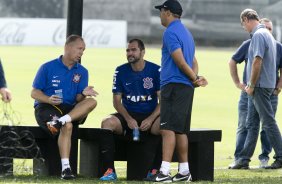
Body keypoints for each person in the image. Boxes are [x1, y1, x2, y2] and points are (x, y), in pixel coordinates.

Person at [152, 0, 208, 182]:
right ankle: (184, 171)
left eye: (161, 11)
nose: (160, 14)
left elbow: (181, 61)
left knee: (167, 128)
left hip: (173, 86)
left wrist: (194, 79)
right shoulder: (186, 33)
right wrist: (195, 78)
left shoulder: (170, 32)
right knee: (181, 130)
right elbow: (194, 62)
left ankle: (164, 172)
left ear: (168, 12)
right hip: (185, 87)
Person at [31, 35, 98, 179]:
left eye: (83, 50)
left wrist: (83, 94)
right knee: (67, 127)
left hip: (70, 110)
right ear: (68, 47)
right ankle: (66, 169)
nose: (81, 53)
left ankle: (61, 121)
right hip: (48, 108)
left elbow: (78, 99)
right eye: (79, 49)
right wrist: (48, 99)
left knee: (92, 102)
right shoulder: (47, 67)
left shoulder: (82, 71)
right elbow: (34, 93)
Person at [99, 38, 161, 181]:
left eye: (133, 50)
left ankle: (155, 171)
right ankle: (109, 171)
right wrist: (128, 119)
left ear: (143, 52)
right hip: (128, 115)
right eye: (128, 50)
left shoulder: (156, 70)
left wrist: (151, 119)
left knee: (165, 124)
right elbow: (116, 102)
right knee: (107, 122)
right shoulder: (120, 70)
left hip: (150, 115)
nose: (130, 53)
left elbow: (163, 101)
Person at [231, 9, 282, 169]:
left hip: (259, 86)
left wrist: (251, 85)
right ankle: (243, 159)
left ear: (246, 19)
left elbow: (257, 61)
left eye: (243, 24)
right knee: (252, 124)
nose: (244, 28)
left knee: (268, 123)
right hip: (266, 85)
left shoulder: (259, 35)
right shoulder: (268, 35)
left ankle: (281, 157)